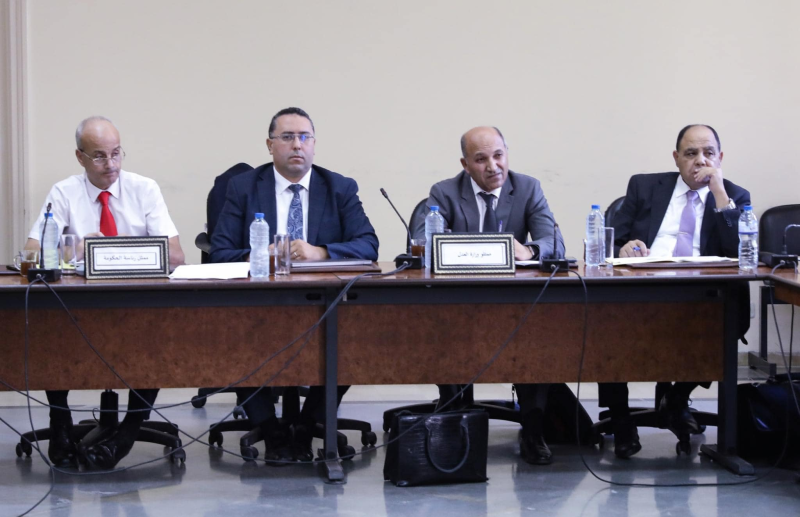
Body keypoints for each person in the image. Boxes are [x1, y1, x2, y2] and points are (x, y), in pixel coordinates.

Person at [209, 107, 379, 462]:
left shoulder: (340, 187)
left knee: (352, 336)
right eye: (287, 137)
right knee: (231, 335)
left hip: (323, 303)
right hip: (258, 304)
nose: (297, 145)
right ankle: (269, 428)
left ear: (314, 144)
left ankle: (308, 424)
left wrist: (321, 252)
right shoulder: (243, 187)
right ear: (270, 145)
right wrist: (262, 254)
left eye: (304, 137)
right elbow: (219, 253)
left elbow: (369, 245)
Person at [25, 116, 185, 469]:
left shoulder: (144, 189)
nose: (110, 164)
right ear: (80, 157)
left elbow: (176, 256)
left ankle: (126, 434)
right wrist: (76, 248)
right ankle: (60, 421)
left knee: (156, 339)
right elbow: (32, 252)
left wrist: (122, 250)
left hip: (137, 306)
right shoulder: (64, 192)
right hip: (77, 307)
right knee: (51, 331)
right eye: (99, 156)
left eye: (116, 153)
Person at [413, 126, 565, 464]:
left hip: (515, 304)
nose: (493, 166)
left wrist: (529, 249)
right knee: (439, 326)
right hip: (457, 304)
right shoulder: (444, 192)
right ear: (465, 165)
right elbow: (423, 242)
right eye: (481, 159)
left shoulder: (527, 188)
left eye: (499, 156)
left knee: (538, 333)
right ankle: (454, 419)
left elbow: (554, 242)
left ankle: (534, 430)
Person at [599, 124, 751, 458]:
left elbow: (739, 254)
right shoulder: (644, 186)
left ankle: (677, 397)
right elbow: (613, 240)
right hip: (643, 289)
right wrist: (624, 247)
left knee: (728, 313)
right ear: (676, 158)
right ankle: (621, 419)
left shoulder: (734, 196)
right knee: (605, 320)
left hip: (702, 295)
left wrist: (719, 193)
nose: (700, 161)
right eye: (691, 153)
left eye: (708, 153)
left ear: (720, 157)